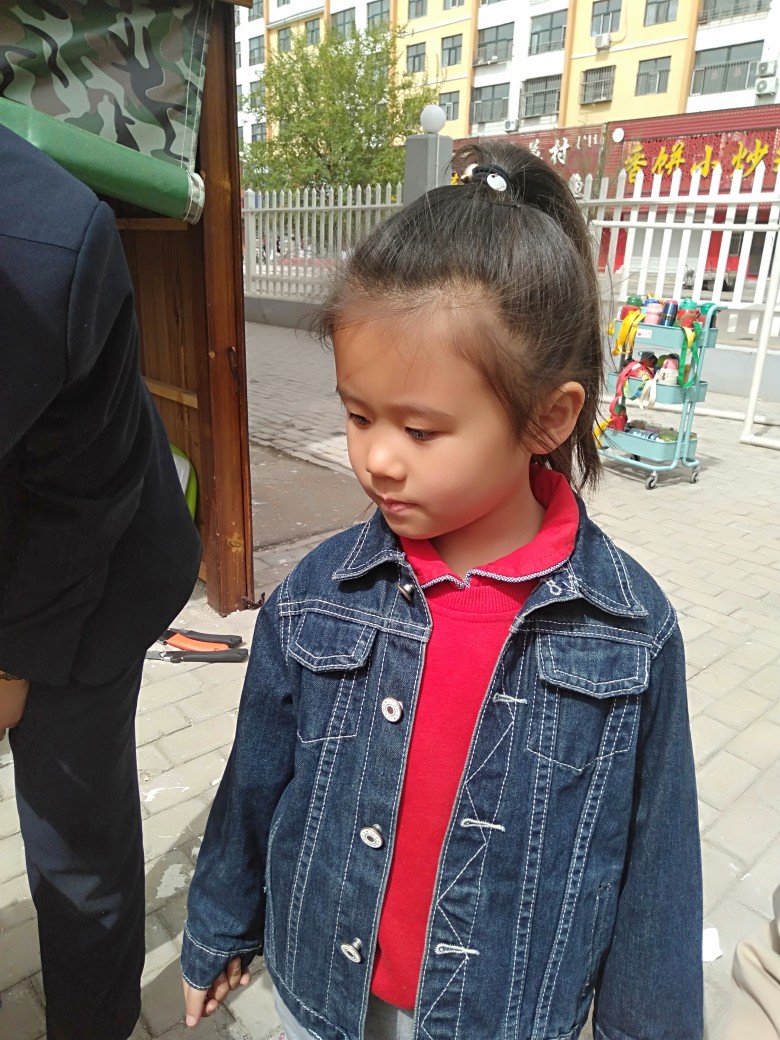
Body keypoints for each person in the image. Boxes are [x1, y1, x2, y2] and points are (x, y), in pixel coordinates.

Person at [180, 143, 703, 1040]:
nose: (377, 458)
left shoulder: (626, 632)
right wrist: (219, 927)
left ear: (548, 417)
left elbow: (657, 868)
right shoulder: (318, 597)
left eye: (420, 430)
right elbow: (255, 785)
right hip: (325, 997)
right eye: (357, 414)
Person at [0, 124, 201, 1039]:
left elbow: (81, 501)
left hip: (85, 575)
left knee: (74, 848)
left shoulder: (46, 247)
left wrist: (12, 665)